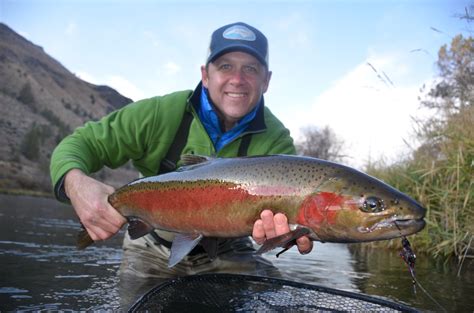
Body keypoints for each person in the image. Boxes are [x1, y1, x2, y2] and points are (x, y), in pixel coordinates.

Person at [50, 21, 313, 307]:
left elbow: (283, 221)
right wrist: (75, 183)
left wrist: (284, 236)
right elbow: (79, 145)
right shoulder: (159, 113)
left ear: (267, 80)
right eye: (225, 66)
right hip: (151, 246)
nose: (237, 78)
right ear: (205, 75)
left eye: (250, 68)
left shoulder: (277, 141)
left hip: (229, 250)